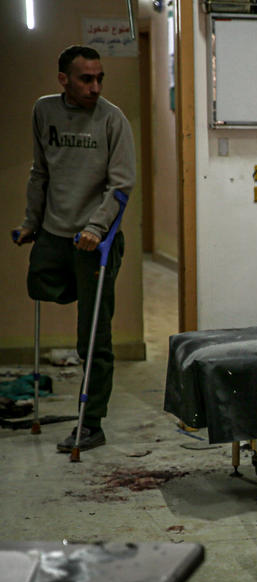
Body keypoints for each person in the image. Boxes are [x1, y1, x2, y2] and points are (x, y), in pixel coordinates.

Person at [12, 45, 135, 453]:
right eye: (86, 78)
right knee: (40, 285)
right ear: (63, 78)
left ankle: (92, 422)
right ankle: (79, 295)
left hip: (93, 240)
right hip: (53, 231)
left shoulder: (112, 120)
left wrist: (96, 229)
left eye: (100, 78)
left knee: (93, 338)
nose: (95, 86)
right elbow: (39, 171)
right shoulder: (44, 111)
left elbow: (120, 187)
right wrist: (32, 221)